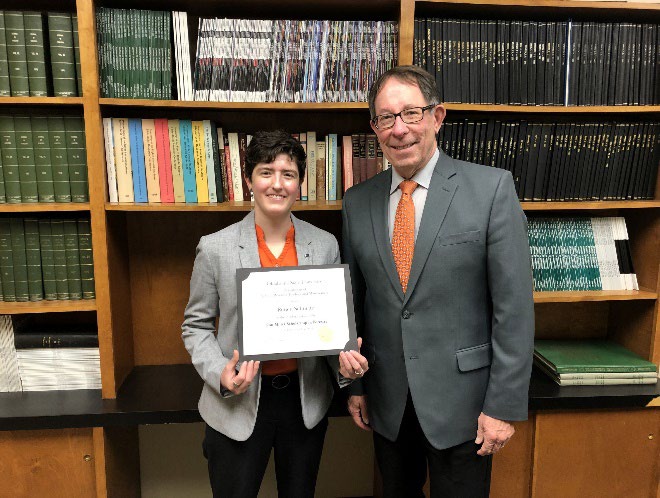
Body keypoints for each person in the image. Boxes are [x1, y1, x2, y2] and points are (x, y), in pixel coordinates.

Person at [341, 65, 535, 497]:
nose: (399, 129)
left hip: (465, 407)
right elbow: (352, 304)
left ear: (437, 116)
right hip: (388, 403)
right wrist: (354, 385)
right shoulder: (358, 203)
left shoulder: (491, 189)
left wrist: (501, 407)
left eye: (411, 113)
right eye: (386, 118)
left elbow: (514, 310)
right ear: (374, 127)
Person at [182, 130, 368, 498]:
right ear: (249, 179)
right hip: (236, 403)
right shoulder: (215, 248)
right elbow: (196, 325)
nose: (277, 184)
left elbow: (328, 329)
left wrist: (347, 367)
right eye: (266, 172)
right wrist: (221, 372)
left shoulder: (324, 244)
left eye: (288, 174)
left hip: (303, 404)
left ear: (300, 183)